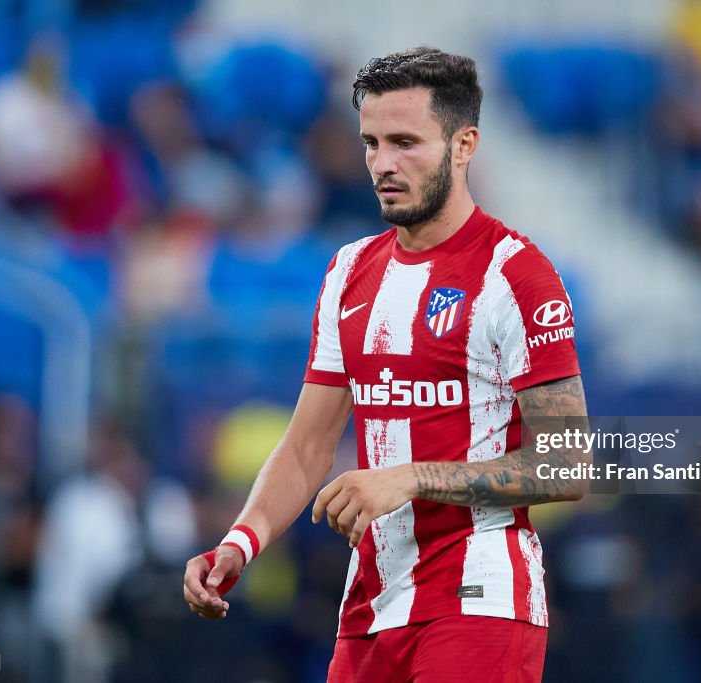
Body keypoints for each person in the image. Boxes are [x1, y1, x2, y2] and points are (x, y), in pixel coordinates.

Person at [182, 46, 589, 682]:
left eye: (405, 142)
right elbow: (305, 447)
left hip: (479, 600)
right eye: (371, 143)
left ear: (463, 144)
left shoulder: (518, 276)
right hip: (371, 607)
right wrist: (241, 541)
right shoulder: (348, 273)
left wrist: (411, 478)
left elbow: (566, 464)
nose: (382, 164)